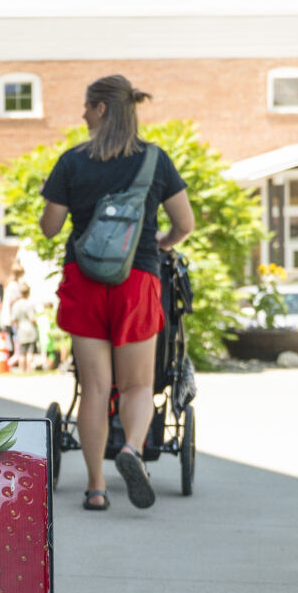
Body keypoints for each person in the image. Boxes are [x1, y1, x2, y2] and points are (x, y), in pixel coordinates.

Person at [39, 75, 194, 512]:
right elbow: (184, 225)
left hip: (85, 281)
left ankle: (95, 487)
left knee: (94, 389)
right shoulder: (155, 160)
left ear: (102, 109)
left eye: (87, 106)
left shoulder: (72, 161)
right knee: (138, 386)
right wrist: (158, 245)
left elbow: (50, 227)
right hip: (137, 282)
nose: (82, 114)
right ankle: (132, 448)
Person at [10, 283, 40, 372]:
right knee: (30, 352)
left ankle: (22, 370)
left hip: (21, 329)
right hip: (30, 329)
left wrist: (18, 326)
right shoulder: (30, 303)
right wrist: (36, 325)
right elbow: (32, 318)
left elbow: (13, 319)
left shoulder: (16, 304)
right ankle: (29, 370)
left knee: (22, 352)